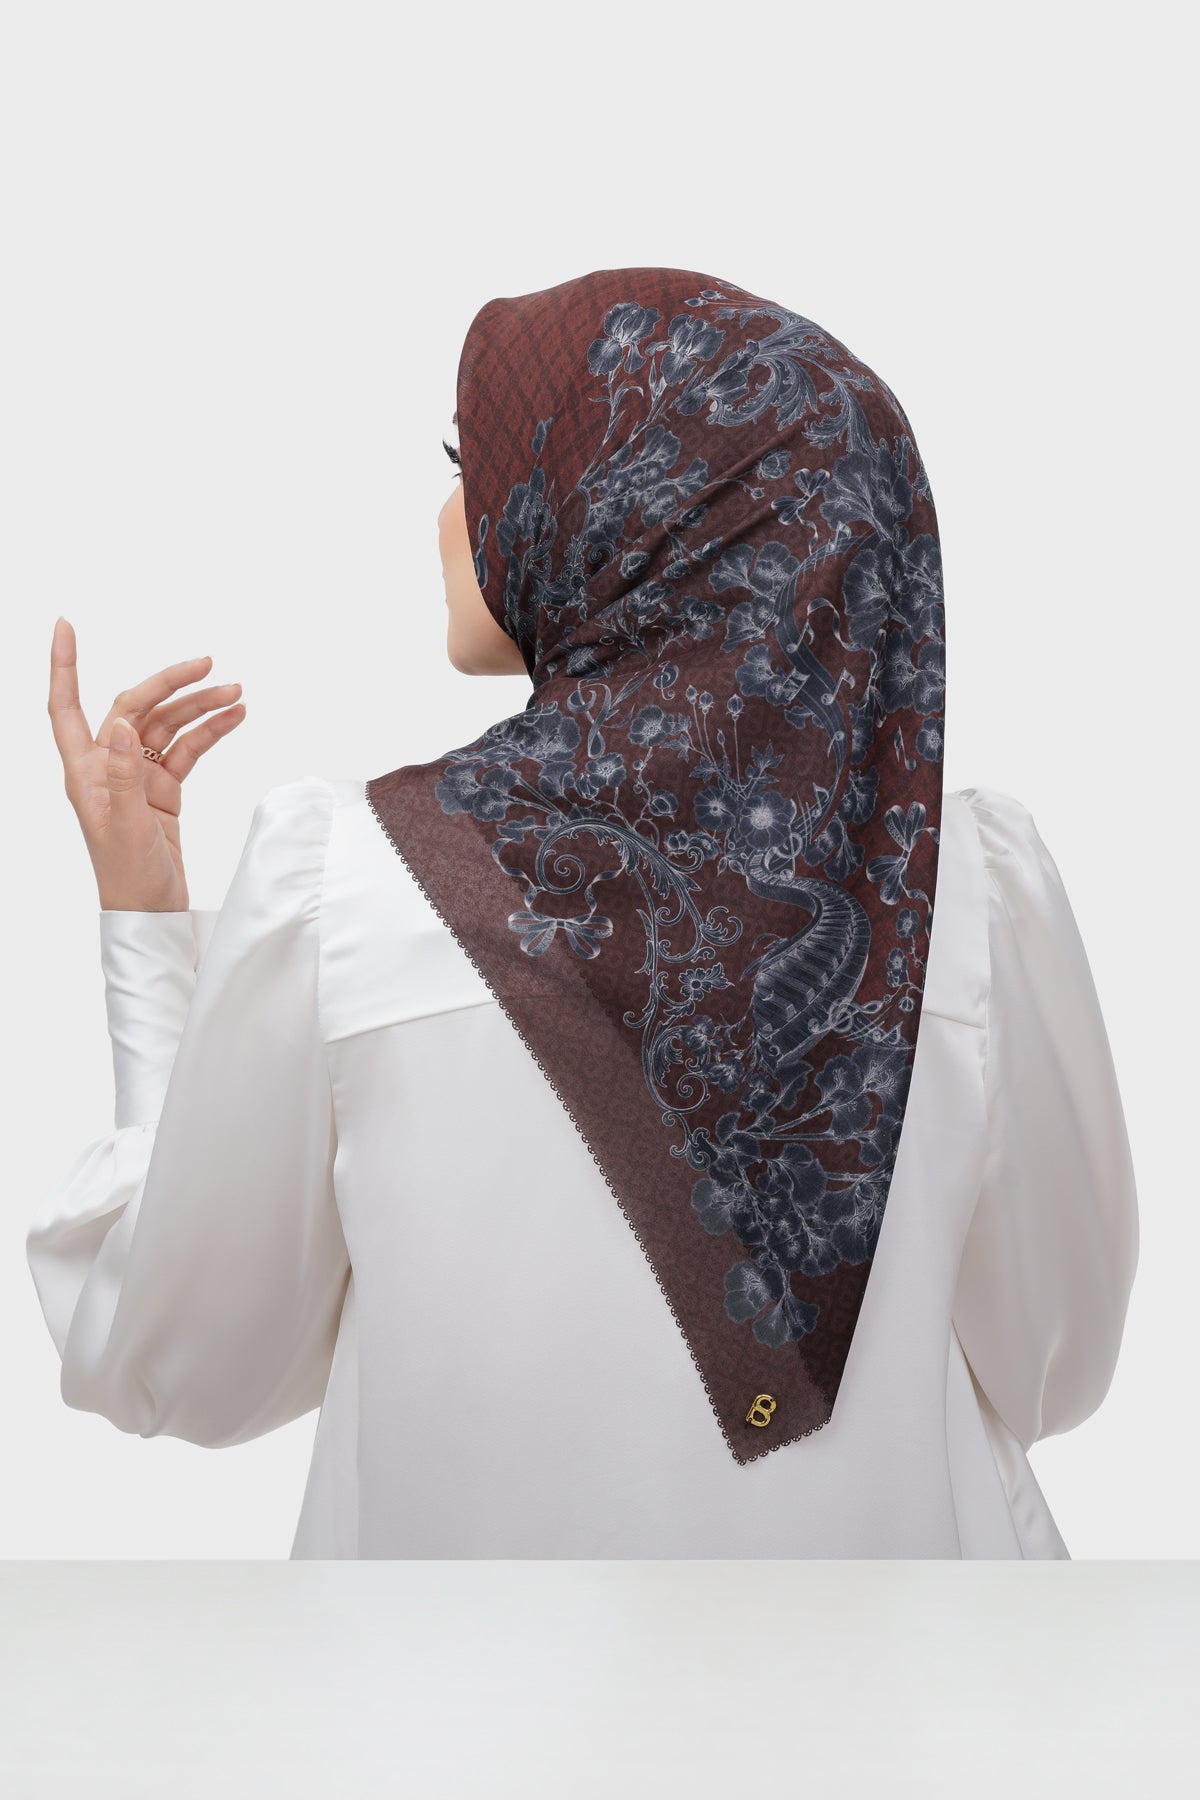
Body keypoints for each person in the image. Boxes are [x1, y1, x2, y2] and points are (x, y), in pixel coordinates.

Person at [28, 268, 1138, 1559]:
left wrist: (145, 924)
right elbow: (1055, 1363)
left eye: (477, 465)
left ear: (635, 503)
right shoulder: (964, 891)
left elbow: (182, 1357)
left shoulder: (349, 884)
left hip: (454, 1689)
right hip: (905, 1680)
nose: (447, 515)